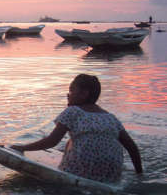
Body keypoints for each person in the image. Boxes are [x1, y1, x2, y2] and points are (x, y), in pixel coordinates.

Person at [10, 74, 142, 183]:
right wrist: (139, 175)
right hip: (111, 175)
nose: (68, 95)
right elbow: (132, 147)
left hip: (81, 172)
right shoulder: (111, 117)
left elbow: (52, 141)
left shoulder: (73, 111)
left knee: (71, 142)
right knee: (74, 140)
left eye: (71, 91)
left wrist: (23, 148)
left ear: (84, 94)